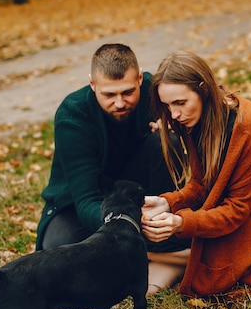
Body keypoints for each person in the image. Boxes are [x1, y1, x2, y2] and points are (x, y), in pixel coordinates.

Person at [35, 43, 190, 294]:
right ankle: (172, 258)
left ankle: (157, 249)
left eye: (128, 92)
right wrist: (128, 225)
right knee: (58, 248)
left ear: (140, 78)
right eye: (109, 95)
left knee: (167, 141)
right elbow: (85, 199)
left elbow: (203, 107)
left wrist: (177, 128)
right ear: (92, 84)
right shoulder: (73, 116)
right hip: (82, 204)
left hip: (143, 195)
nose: (120, 103)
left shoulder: (157, 92)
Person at [141, 50, 251, 301]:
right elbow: (201, 186)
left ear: (203, 89)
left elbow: (237, 210)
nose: (174, 115)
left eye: (180, 103)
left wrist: (182, 223)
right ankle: (211, 262)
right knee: (147, 247)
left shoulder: (247, 126)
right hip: (226, 210)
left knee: (201, 268)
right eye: (168, 106)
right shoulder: (194, 121)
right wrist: (169, 202)